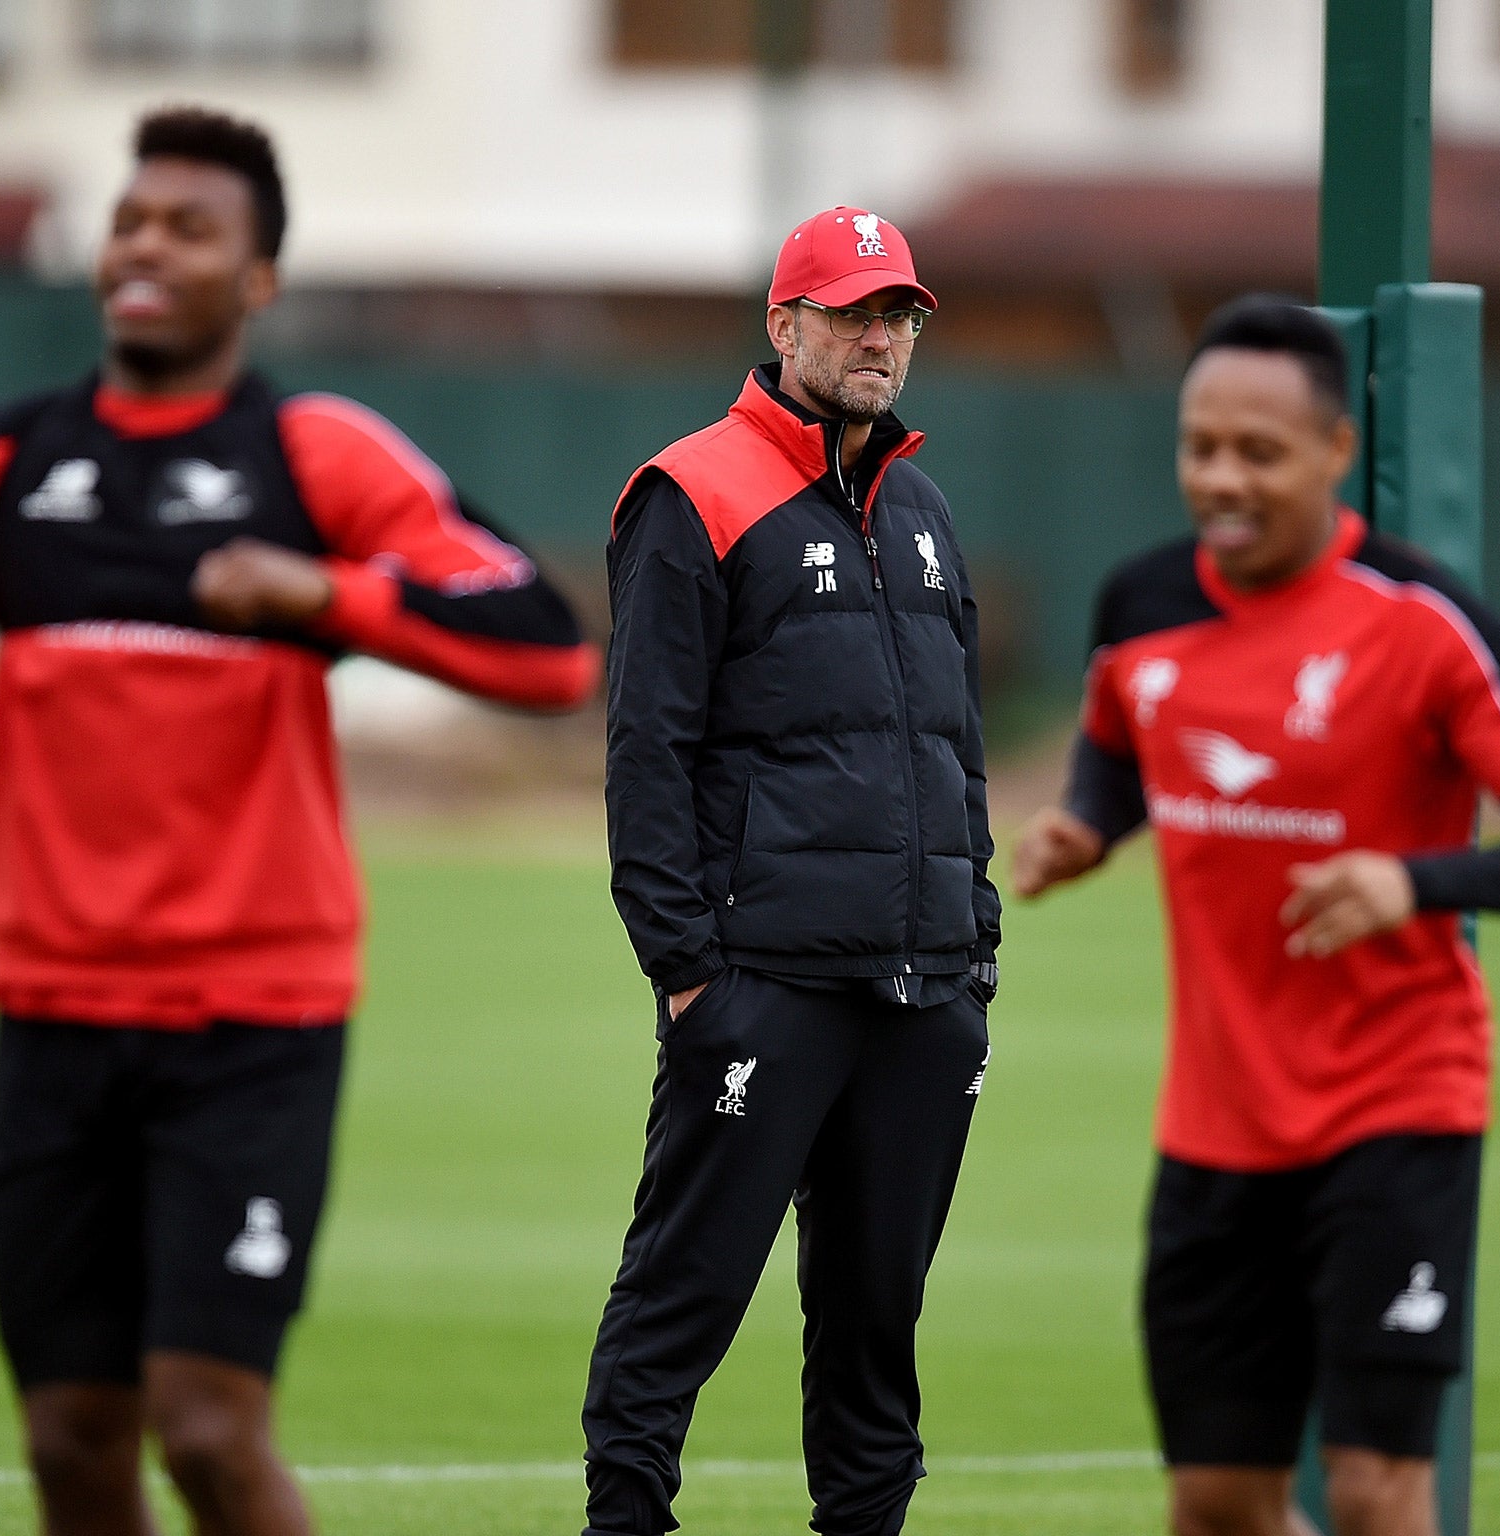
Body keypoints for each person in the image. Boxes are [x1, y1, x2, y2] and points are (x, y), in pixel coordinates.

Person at [0, 107, 599, 1536]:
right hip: (52, 1015)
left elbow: (547, 648)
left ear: (257, 281)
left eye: (190, 227)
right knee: (67, 1439)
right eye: (131, 219)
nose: (146, 246)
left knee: (210, 1432)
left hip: (252, 1022)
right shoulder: (2, 469)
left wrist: (329, 598)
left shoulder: (313, 454)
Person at [1013, 296, 1500, 1536]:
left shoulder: (1426, 626)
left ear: (1335, 452)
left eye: (1259, 451)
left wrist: (1413, 880)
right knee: (1217, 1502)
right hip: (1213, 1122)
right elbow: (1118, 754)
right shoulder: (1138, 606)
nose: (1220, 479)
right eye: (1199, 448)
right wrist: (1089, 828)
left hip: (1394, 1107)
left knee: (1370, 1487)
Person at [582, 207, 1000, 1536]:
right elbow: (648, 750)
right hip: (764, 985)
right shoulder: (691, 490)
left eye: (901, 316)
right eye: (855, 312)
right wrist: (689, 973)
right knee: (684, 1292)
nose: (883, 337)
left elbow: (957, 744)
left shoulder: (924, 505)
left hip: (923, 993)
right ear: (785, 326)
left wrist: (973, 949)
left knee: (880, 1322)